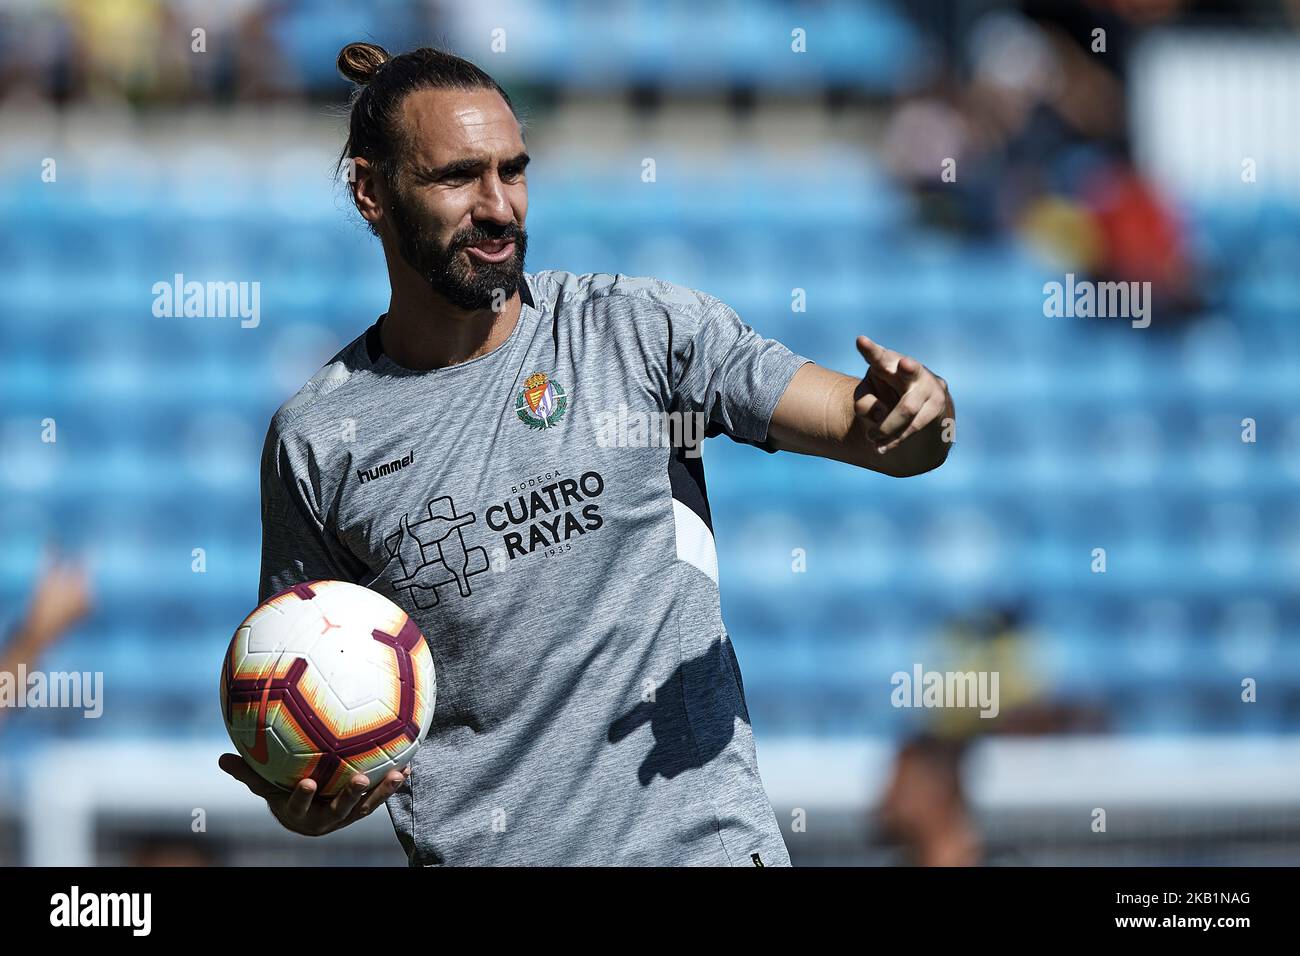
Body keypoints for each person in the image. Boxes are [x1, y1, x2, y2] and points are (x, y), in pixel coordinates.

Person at [219, 41, 955, 866]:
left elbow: (876, 434)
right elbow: (301, 689)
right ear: (370, 192)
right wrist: (305, 804)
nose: (499, 206)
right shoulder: (319, 441)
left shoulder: (638, 333)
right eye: (458, 177)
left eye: (513, 170)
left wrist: (918, 418)